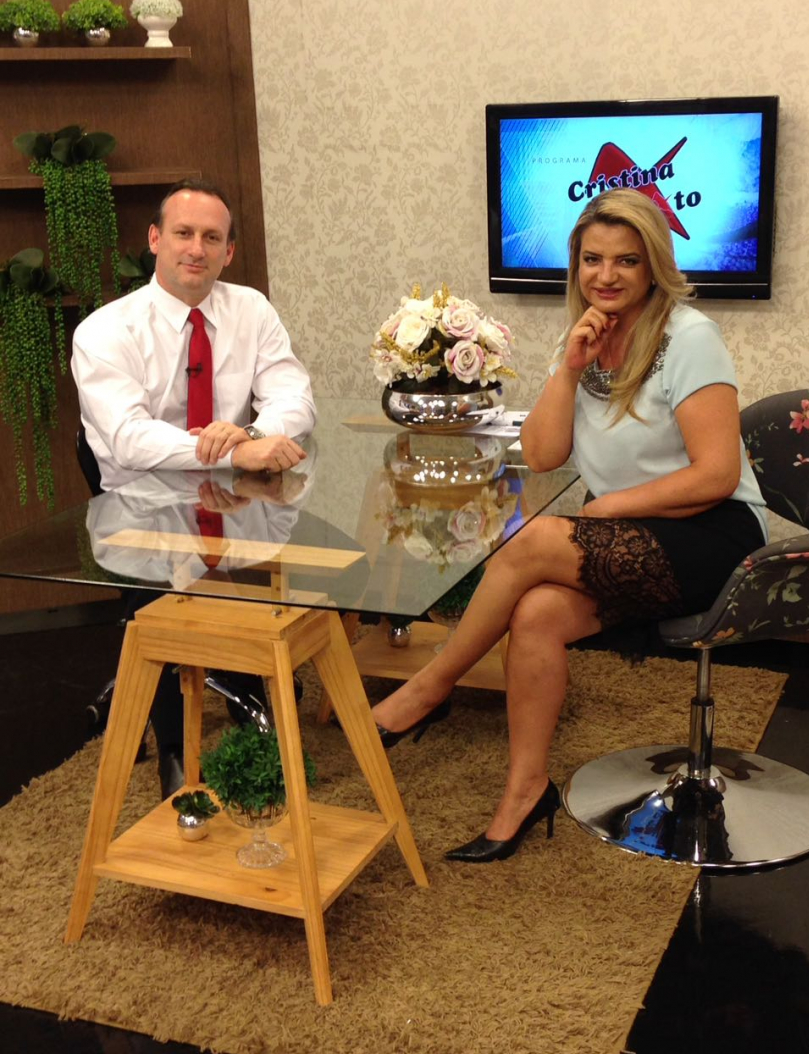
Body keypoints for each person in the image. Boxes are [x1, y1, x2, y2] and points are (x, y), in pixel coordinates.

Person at [373, 188, 768, 863]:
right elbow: (543, 453)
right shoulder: (582, 336)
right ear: (575, 264)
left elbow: (715, 475)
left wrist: (611, 506)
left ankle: (431, 686)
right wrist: (569, 369)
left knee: (533, 539)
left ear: (652, 266)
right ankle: (525, 793)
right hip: (638, 537)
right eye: (592, 259)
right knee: (535, 614)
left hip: (715, 534)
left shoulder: (689, 337)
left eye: (626, 261)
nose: (605, 275)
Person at [72, 178, 316, 797]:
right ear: (155, 239)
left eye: (212, 238)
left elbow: (295, 399)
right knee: (160, 607)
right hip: (140, 508)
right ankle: (178, 757)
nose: (196, 249)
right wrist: (235, 449)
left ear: (228, 252)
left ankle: (253, 676)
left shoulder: (250, 310)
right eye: (183, 233)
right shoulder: (104, 331)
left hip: (235, 502)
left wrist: (254, 432)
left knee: (310, 561)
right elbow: (128, 440)